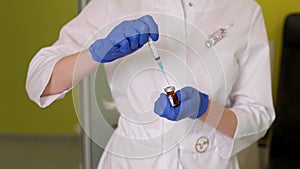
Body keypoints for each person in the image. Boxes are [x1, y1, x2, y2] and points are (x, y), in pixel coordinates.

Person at [26, 0, 275, 168]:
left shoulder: (244, 9)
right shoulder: (114, 3)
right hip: (132, 160)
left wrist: (205, 110)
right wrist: (96, 53)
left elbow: (259, 114)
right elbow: (41, 80)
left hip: (207, 160)